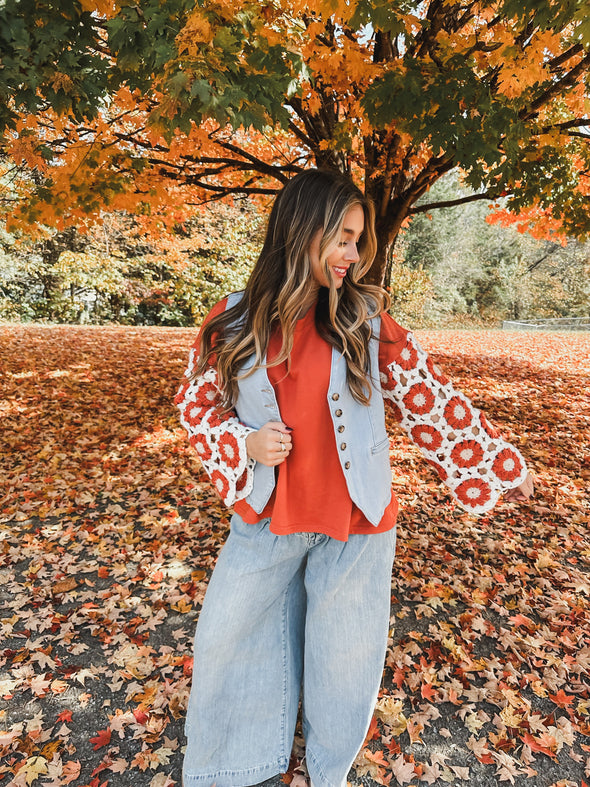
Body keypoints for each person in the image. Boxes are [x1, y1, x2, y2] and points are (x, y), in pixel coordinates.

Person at [175, 169, 534, 787]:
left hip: (358, 522)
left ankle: (328, 770)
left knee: (344, 659)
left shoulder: (365, 318)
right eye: (341, 237)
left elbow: (428, 396)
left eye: (358, 240)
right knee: (231, 640)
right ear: (300, 231)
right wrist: (245, 443)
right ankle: (238, 765)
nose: (353, 254)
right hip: (267, 517)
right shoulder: (234, 319)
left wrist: (500, 464)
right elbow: (197, 406)